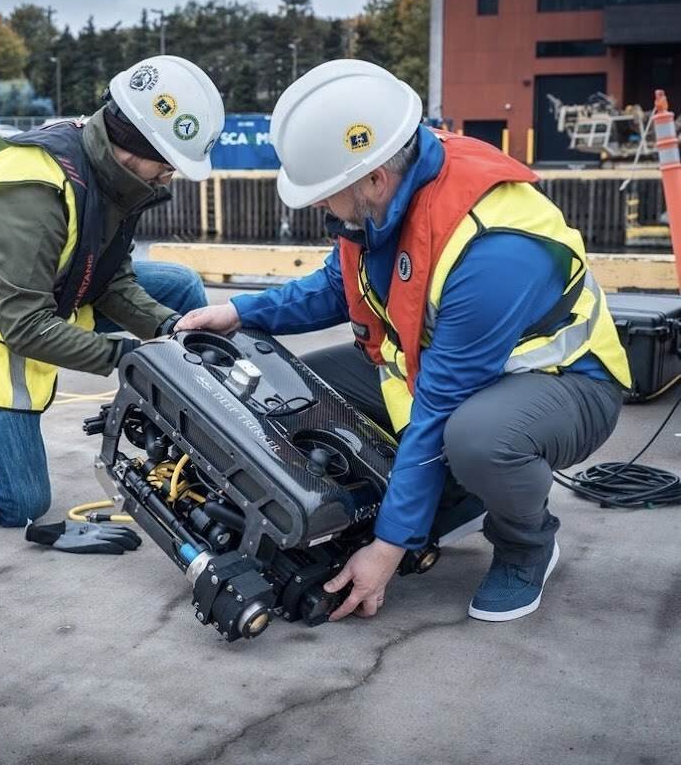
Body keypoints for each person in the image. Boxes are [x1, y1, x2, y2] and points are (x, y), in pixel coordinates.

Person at [175, 59, 631, 623]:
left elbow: (438, 406)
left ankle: (526, 545)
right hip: (445, 375)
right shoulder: (387, 195)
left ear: (373, 179)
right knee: (290, 387)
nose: (318, 205)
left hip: (564, 387)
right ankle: (440, 500)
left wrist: (388, 549)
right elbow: (337, 287)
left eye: (325, 193)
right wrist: (238, 311)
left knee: (476, 439)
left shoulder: (493, 251)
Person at [0, 55, 224, 528]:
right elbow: (26, 325)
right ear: (134, 147)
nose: (171, 175)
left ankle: (203, 435)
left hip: (52, 296)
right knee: (20, 502)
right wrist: (126, 358)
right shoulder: (34, 194)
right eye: (169, 163)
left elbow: (110, 280)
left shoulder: (116, 178)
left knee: (178, 292)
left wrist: (167, 330)